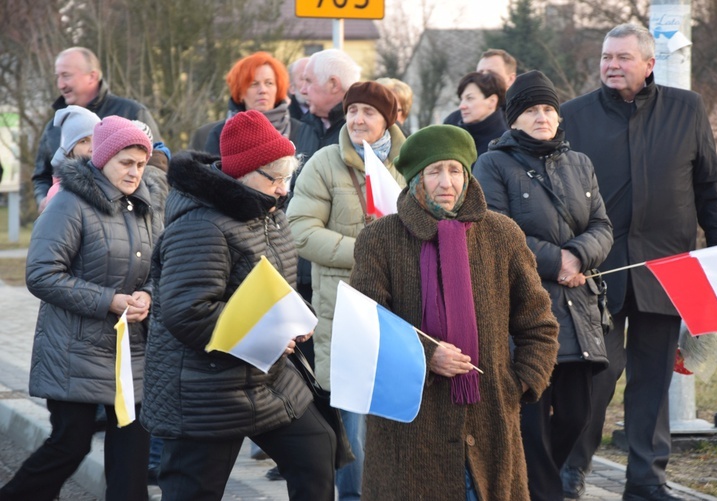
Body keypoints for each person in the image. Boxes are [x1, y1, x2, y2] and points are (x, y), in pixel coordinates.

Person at [559, 24, 717, 501]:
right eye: (606, 57)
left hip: (668, 271)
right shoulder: (572, 116)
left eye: (623, 57)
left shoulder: (688, 109)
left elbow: (710, 190)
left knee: (653, 383)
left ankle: (646, 480)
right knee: (595, 377)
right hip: (596, 274)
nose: (612, 65)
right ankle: (572, 469)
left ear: (650, 63)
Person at [348, 124, 560, 500]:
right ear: (416, 178)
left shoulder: (502, 234)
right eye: (434, 171)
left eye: (455, 169)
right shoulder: (380, 239)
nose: (446, 182)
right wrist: (428, 355)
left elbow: (539, 324)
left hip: (490, 417)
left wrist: (517, 384)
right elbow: (368, 329)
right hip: (409, 429)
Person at [140, 110, 336, 501]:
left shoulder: (267, 212)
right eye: (276, 178)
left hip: (266, 378)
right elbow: (187, 311)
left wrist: (294, 313)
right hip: (204, 385)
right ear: (244, 172)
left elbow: (270, 283)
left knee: (318, 448)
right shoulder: (200, 226)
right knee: (193, 491)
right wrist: (267, 334)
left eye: (287, 177)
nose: (284, 189)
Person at [0, 117, 165, 501]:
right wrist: (109, 300)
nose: (135, 172)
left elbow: (161, 268)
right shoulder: (69, 204)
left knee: (131, 466)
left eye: (141, 164)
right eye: (126, 162)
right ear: (103, 157)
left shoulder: (146, 206)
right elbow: (41, 274)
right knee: (69, 447)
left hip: (130, 356)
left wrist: (148, 296)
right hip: (72, 352)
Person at [473, 70, 613, 501]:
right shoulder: (492, 164)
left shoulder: (580, 164)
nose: (542, 117)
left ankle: (532, 485)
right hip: (526, 312)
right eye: (532, 110)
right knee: (531, 419)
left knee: (577, 414)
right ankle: (541, 492)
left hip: (579, 310)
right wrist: (559, 261)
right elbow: (497, 230)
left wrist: (578, 256)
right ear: (514, 118)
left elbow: (603, 227)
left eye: (549, 109)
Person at [286, 81, 406, 501]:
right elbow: (299, 231)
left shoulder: (407, 165)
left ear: (388, 120)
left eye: (369, 112)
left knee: (396, 411)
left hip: (402, 308)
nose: (357, 119)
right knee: (352, 416)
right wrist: (366, 251)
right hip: (344, 308)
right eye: (352, 110)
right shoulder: (323, 163)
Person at [32, 47, 161, 212]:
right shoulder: (55, 125)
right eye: (58, 77)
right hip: (65, 219)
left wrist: (140, 209)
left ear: (92, 76)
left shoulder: (132, 113)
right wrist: (43, 199)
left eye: (66, 75)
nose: (60, 85)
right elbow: (41, 175)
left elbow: (156, 168)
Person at [204, 52, 317, 164]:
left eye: (269, 83)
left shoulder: (302, 131)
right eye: (254, 84)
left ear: (278, 88)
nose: (263, 90)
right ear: (240, 92)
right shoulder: (219, 134)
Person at [299, 49, 361, 149]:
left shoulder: (365, 129)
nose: (303, 90)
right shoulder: (305, 126)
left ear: (334, 84)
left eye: (309, 81)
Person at [44, 105, 101, 206]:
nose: (93, 147)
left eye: (97, 138)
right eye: (83, 141)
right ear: (70, 150)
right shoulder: (60, 191)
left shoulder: (112, 181)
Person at [444, 48, 517, 125]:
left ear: (510, 79)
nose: (484, 77)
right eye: (480, 72)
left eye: (491, 73)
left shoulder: (520, 117)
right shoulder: (454, 120)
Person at [452, 71, 508, 156]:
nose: (462, 106)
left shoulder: (506, 145)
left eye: (469, 98)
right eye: (461, 99)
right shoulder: (452, 137)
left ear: (492, 101)